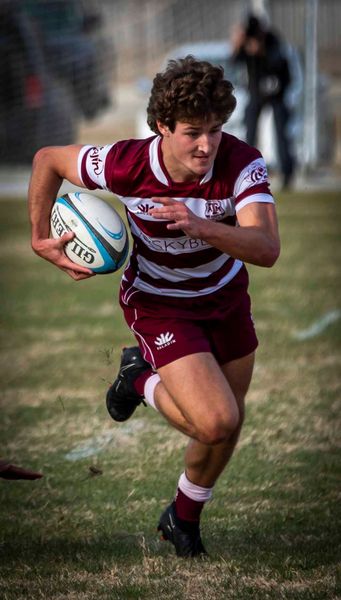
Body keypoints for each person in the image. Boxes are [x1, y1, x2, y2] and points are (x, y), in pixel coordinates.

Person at [28, 56, 280, 558]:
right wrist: (39, 238)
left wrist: (201, 223)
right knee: (214, 422)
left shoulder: (241, 161)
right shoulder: (126, 163)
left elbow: (267, 247)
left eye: (215, 129)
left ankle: (182, 519)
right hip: (160, 305)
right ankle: (139, 376)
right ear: (162, 127)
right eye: (192, 132)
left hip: (226, 299)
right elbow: (48, 160)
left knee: (229, 422)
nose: (207, 144)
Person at [231, 14, 295, 189]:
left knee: (281, 134)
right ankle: (246, 171)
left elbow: (280, 63)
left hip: (277, 95)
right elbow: (235, 61)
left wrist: (262, 51)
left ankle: (287, 173)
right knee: (250, 132)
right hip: (256, 94)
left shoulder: (272, 39)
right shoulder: (246, 42)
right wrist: (237, 44)